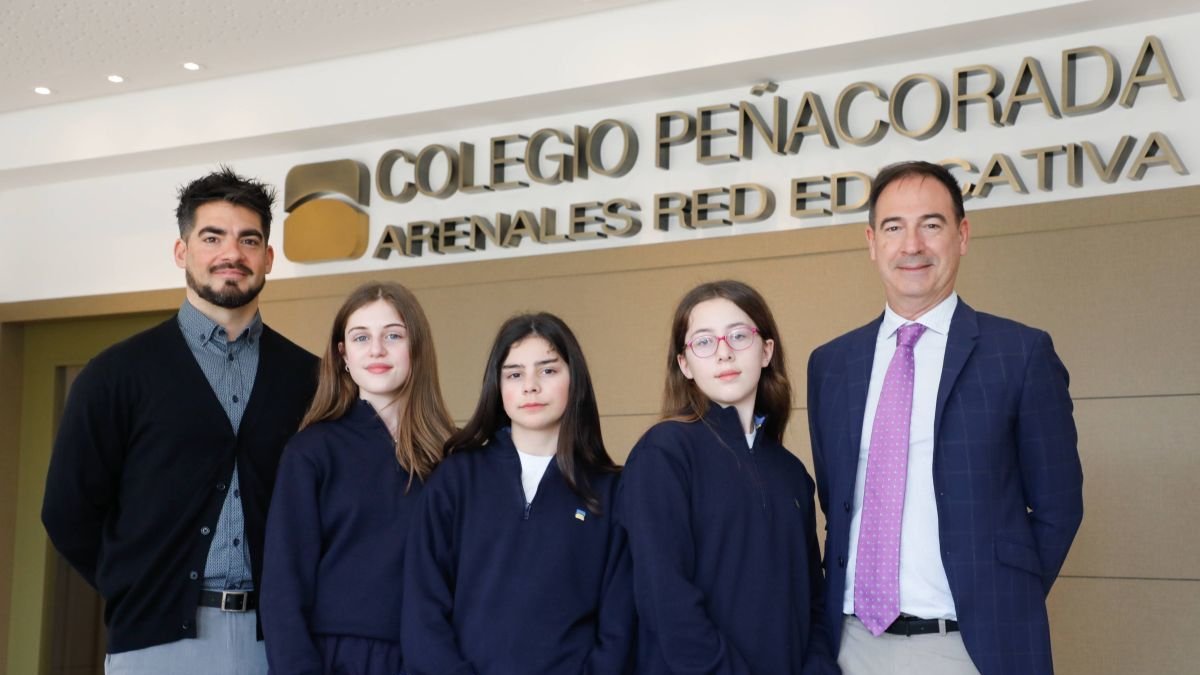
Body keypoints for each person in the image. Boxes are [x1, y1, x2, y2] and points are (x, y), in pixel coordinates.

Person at [806, 160, 1084, 675]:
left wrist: (1000, 601)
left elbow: (1059, 508)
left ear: (962, 236)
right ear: (871, 242)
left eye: (931, 225)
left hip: (968, 648)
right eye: (894, 227)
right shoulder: (831, 365)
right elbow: (836, 500)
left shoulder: (1019, 354)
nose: (912, 245)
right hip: (849, 644)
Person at [41, 166, 319, 674]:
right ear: (181, 251)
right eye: (212, 237)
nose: (231, 254)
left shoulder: (311, 378)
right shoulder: (116, 374)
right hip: (156, 642)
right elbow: (66, 511)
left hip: (277, 642)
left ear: (268, 259)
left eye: (248, 240)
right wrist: (135, 584)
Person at [618, 280, 838, 675]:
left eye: (739, 336)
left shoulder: (792, 474)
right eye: (703, 342)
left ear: (766, 350)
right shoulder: (663, 454)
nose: (723, 352)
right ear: (685, 364)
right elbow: (664, 598)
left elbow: (813, 602)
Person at [402, 312, 635, 675]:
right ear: (497, 386)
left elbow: (618, 630)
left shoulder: (610, 490)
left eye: (548, 370)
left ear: (575, 380)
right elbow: (422, 611)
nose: (530, 386)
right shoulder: (456, 480)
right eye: (514, 374)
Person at [260, 281, 455, 675]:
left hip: (433, 655)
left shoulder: (453, 458)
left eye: (393, 335)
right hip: (337, 658)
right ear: (343, 355)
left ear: (416, 346)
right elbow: (283, 590)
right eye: (361, 337)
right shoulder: (312, 452)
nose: (377, 349)